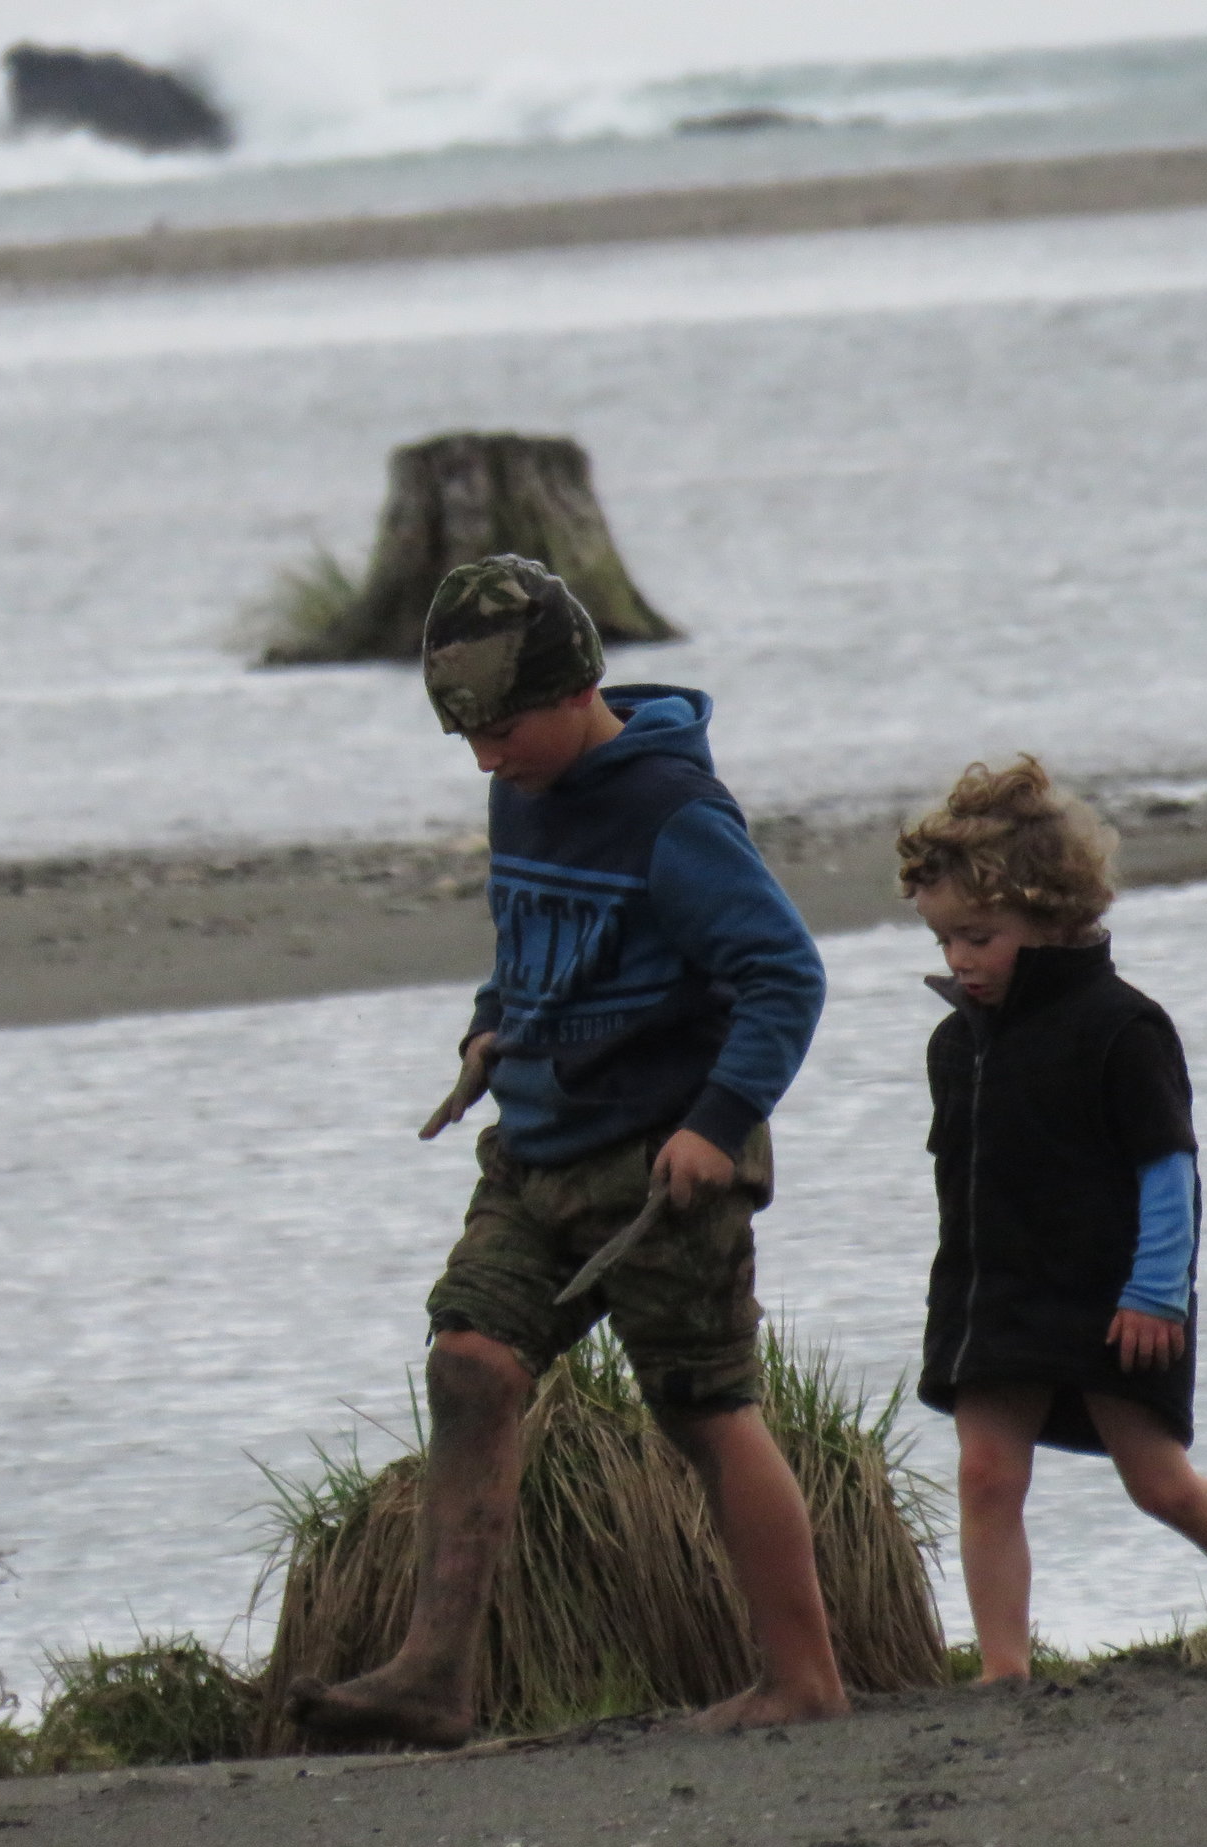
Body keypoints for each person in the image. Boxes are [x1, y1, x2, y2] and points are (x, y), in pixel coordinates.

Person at [287, 556, 848, 1746]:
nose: (487, 759)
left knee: (705, 1412)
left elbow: (782, 976)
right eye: (466, 738)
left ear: (575, 685)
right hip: (533, 1149)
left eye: (501, 730)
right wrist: (495, 1023)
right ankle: (435, 1676)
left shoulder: (672, 816)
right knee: (469, 1365)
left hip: (657, 1166)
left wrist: (713, 1123)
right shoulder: (520, 789)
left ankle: (804, 1679)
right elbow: (526, 926)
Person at [897, 755, 1207, 1682]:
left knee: (1158, 1482)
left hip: (1117, 1294)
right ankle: (1003, 1666)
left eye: (979, 936)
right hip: (994, 1291)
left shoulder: (1121, 1027)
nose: (960, 960)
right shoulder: (957, 1043)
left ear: (1052, 914)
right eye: (946, 943)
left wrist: (1155, 1291)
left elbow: (1169, 1169)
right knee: (986, 1474)